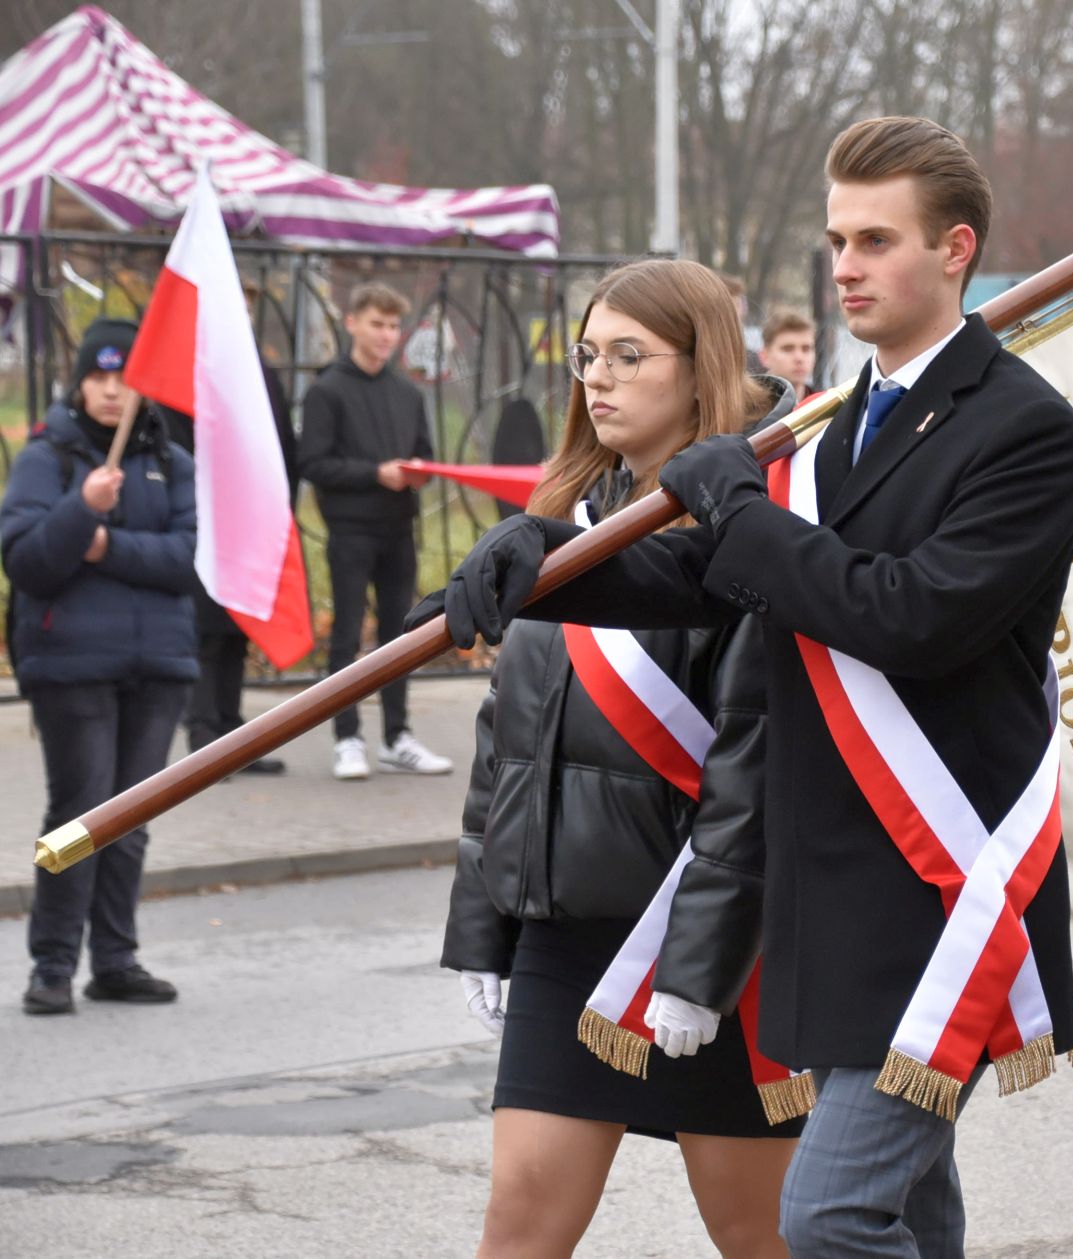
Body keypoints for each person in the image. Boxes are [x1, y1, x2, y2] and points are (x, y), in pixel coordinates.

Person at [435, 116, 1073, 1258]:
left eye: (876, 240)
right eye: (837, 241)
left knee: (829, 1218)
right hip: (825, 893)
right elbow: (702, 577)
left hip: (940, 888)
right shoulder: (834, 424)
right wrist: (548, 562)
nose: (846, 267)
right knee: (910, 1213)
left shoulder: (1023, 428)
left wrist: (736, 501)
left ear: (955, 250)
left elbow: (910, 616)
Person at [435, 260, 799, 1258]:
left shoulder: (756, 523)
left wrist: (699, 965)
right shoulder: (561, 516)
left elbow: (752, 769)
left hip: (711, 939)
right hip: (567, 936)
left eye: (629, 355)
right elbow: (505, 737)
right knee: (519, 1224)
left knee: (760, 1236)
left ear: (700, 365)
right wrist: (485, 920)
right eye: (588, 354)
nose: (597, 377)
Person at [3, 318, 198, 1015]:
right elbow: (28, 562)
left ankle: (115, 960)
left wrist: (103, 543)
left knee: (131, 818)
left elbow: (188, 560)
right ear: (80, 383)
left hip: (158, 666)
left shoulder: (172, 461)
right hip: (72, 665)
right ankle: (52, 965)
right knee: (78, 814)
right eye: (99, 376)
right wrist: (79, 509)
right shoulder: (46, 457)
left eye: (125, 379)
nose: (112, 391)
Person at [299, 282, 452, 781]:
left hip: (398, 528)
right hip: (350, 530)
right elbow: (313, 463)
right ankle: (347, 739)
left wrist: (421, 472)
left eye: (392, 326)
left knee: (399, 636)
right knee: (346, 634)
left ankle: (397, 737)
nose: (386, 335)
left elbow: (423, 453)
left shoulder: (406, 392)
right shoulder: (326, 390)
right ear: (352, 324)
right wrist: (374, 474)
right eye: (376, 324)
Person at [173, 352, 298, 773]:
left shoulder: (259, 368)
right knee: (207, 633)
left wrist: (277, 504)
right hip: (206, 517)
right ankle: (205, 741)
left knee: (237, 630)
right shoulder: (192, 364)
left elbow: (283, 444)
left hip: (252, 514)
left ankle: (232, 737)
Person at [758, 309, 816, 402]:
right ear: (764, 356)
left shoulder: (826, 404)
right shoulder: (747, 407)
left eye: (806, 349)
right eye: (788, 349)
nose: (799, 358)